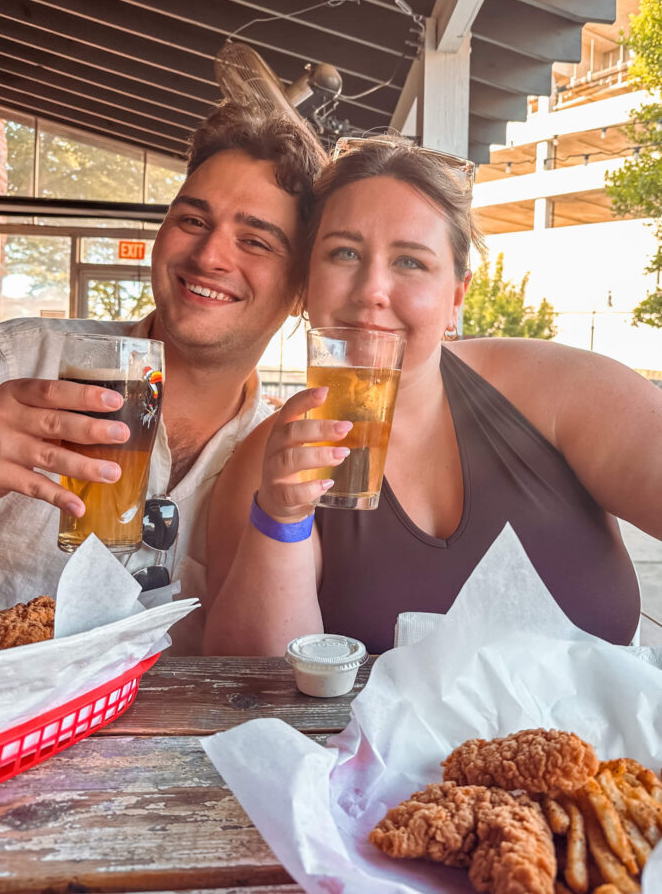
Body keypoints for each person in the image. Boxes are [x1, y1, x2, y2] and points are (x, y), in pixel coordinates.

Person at [203, 135, 662, 656]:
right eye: (344, 253)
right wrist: (280, 519)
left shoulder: (563, 390)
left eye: (410, 262)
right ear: (307, 285)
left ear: (455, 299)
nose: (372, 289)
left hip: (604, 737)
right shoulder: (267, 464)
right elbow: (253, 684)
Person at [0, 103, 327, 654]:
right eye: (193, 220)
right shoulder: (11, 360)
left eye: (256, 241)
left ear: (302, 290)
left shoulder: (281, 466)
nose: (210, 254)